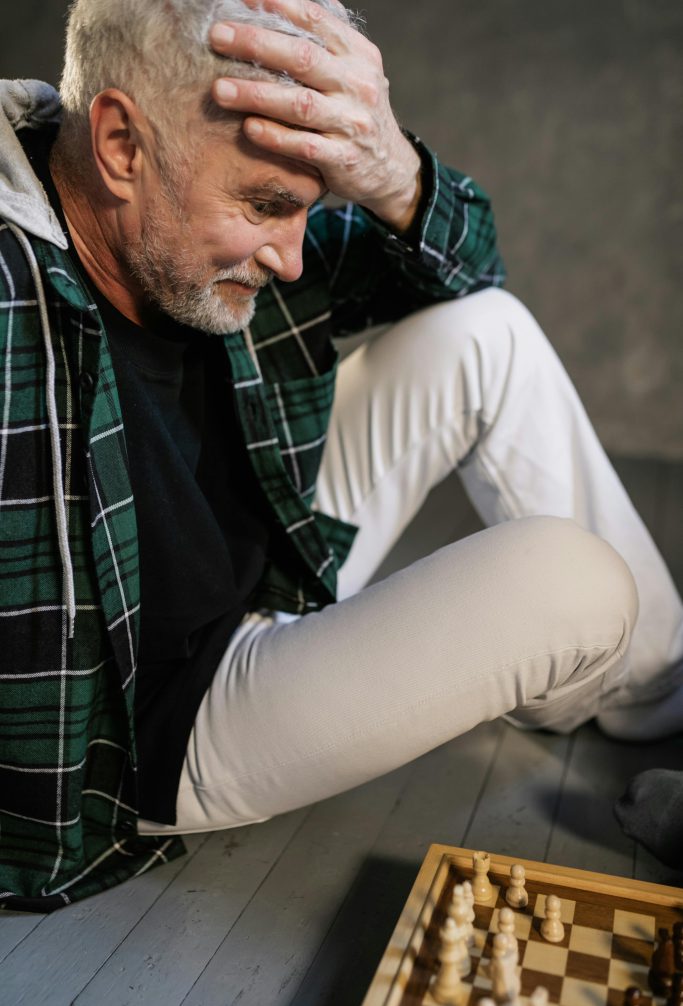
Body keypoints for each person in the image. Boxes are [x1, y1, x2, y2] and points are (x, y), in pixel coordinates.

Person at [0, 0, 680, 912]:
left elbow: (467, 270)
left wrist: (395, 172)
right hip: (159, 725)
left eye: (306, 205)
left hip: (280, 566)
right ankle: (597, 673)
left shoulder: (192, 175)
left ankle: (653, 701)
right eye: (266, 207)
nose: (290, 254)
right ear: (120, 143)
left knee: (488, 331)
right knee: (577, 581)